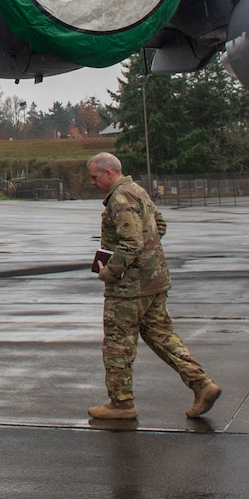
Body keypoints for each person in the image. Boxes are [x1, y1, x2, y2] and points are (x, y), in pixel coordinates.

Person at [84, 152, 219, 421]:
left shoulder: (120, 198)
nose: (92, 182)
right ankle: (202, 384)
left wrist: (110, 271)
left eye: (94, 176)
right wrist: (148, 259)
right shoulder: (138, 191)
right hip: (154, 282)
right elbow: (160, 225)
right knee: (161, 336)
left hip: (129, 290)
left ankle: (121, 403)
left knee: (117, 345)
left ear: (109, 173)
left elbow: (131, 242)